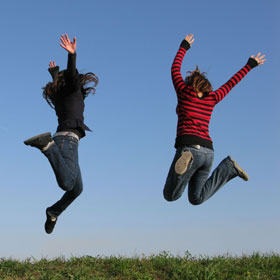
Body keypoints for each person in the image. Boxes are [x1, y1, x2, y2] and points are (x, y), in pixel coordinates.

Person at [163, 34, 265, 205]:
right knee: (196, 198)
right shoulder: (213, 98)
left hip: (189, 147)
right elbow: (231, 83)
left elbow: (174, 68)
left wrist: (184, 46)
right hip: (208, 152)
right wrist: (249, 66)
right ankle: (228, 167)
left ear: (190, 83)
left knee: (170, 195)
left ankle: (186, 162)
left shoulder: (183, 91)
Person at [24, 34, 98, 234]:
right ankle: (47, 146)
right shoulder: (71, 90)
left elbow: (66, 82)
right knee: (67, 183)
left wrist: (54, 74)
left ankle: (53, 212)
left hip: (67, 140)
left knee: (77, 189)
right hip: (65, 141)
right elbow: (73, 78)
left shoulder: (62, 96)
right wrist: (72, 56)